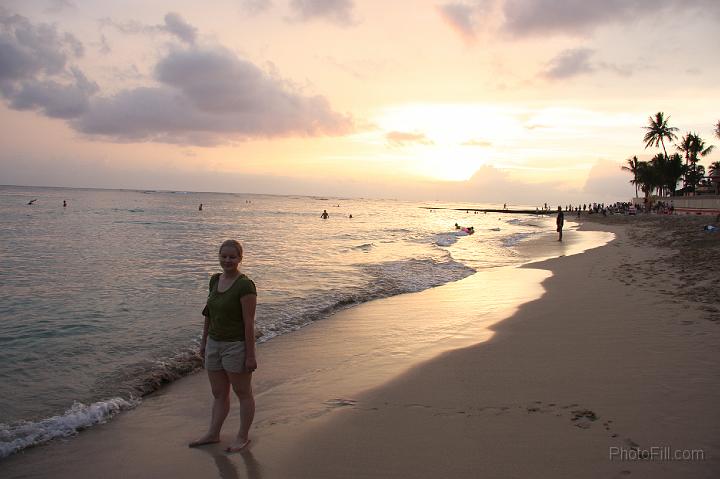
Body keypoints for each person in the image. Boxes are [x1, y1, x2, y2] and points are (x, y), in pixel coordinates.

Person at [190, 240, 257, 452]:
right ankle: (213, 434)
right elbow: (208, 313)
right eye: (224, 256)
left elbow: (249, 322)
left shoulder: (245, 285)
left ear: (240, 259)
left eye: (232, 257)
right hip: (214, 344)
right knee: (219, 393)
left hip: (235, 346)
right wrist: (203, 342)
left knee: (242, 392)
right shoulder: (214, 280)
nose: (227, 260)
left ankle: (242, 436)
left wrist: (250, 355)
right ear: (219, 257)